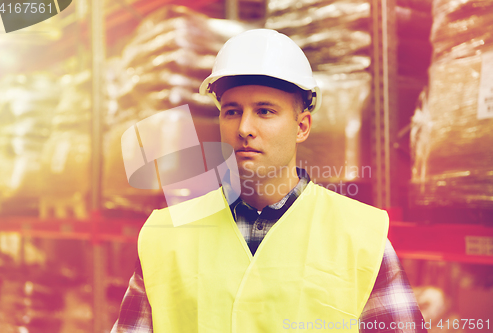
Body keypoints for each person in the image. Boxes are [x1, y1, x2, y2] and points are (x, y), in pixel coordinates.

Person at [112, 29, 426, 333]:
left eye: (264, 111)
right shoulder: (165, 237)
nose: (245, 128)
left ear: (302, 127)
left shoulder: (361, 239)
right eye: (232, 111)